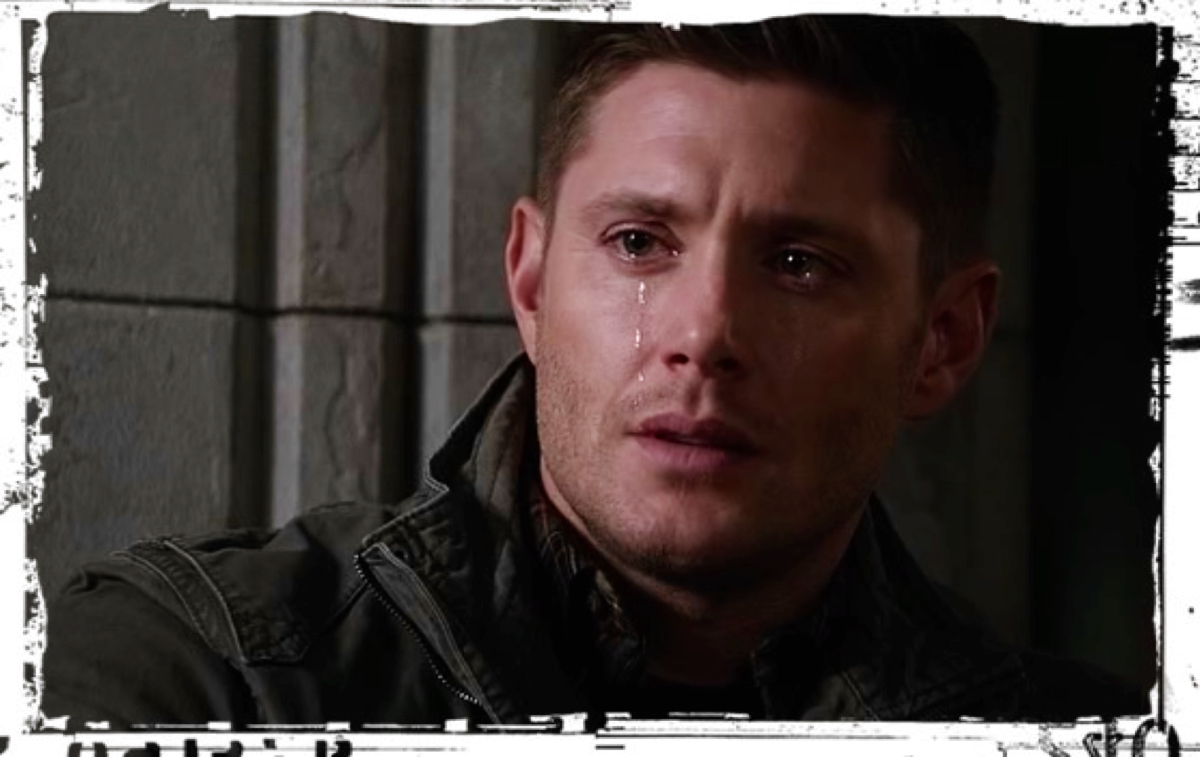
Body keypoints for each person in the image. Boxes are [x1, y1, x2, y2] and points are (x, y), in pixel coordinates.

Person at [42, 15, 1143, 728]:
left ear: (941, 340)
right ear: (530, 280)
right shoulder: (204, 678)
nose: (704, 333)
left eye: (800, 264)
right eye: (638, 242)